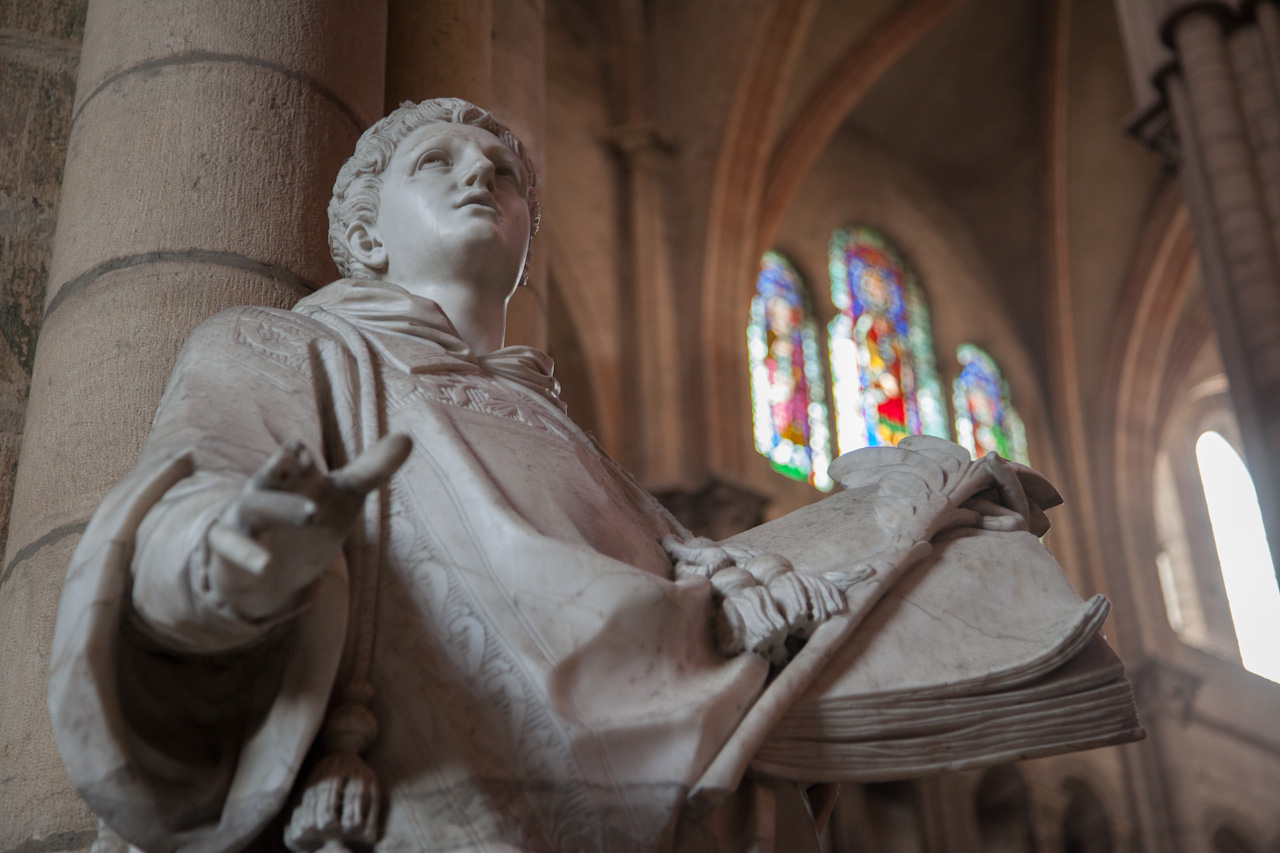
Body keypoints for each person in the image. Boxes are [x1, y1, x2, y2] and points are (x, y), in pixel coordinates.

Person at [49, 99, 1064, 853]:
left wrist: (918, 521)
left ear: (527, 244)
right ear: (362, 234)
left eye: (503, 170)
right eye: (436, 162)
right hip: (424, 800)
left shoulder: (578, 448)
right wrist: (234, 559)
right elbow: (187, 507)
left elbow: (720, 600)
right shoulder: (281, 350)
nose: (478, 176)